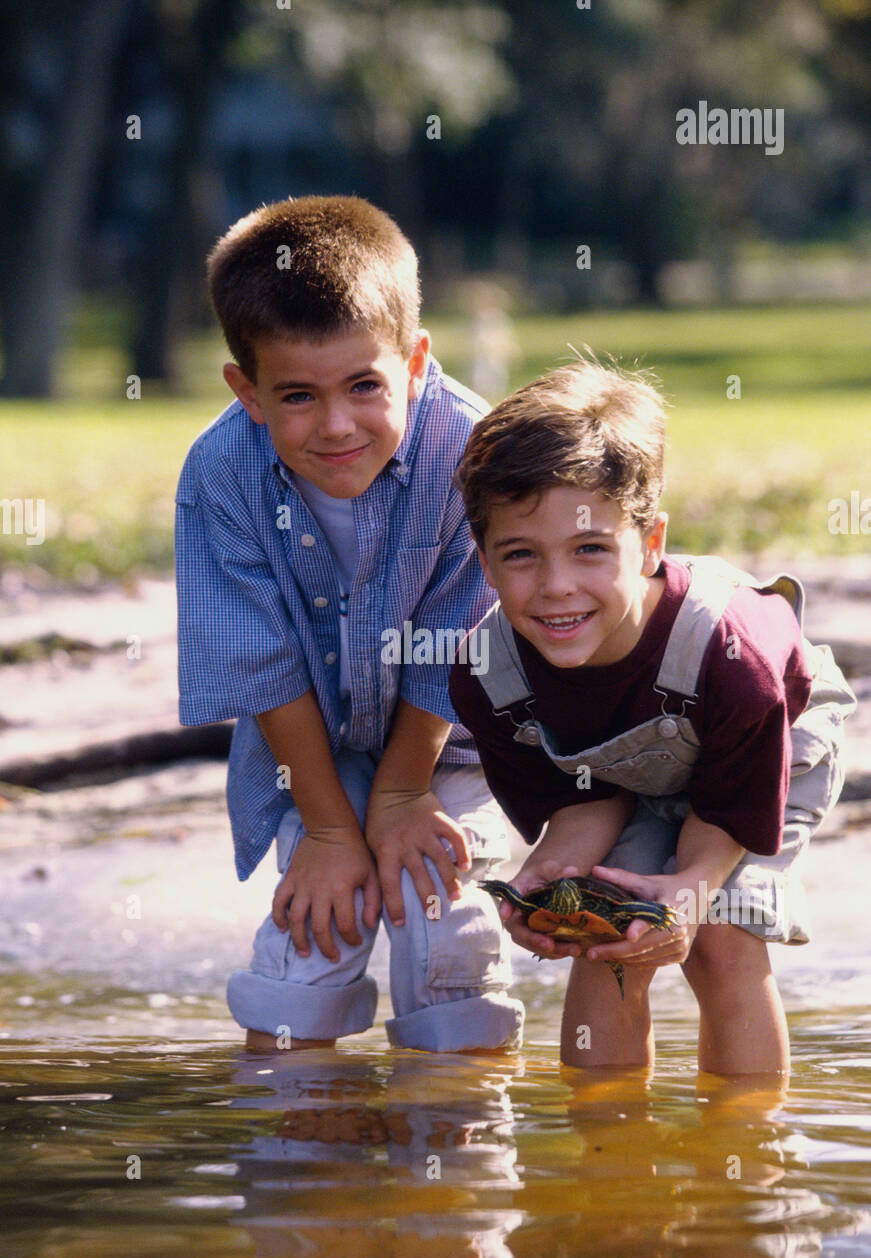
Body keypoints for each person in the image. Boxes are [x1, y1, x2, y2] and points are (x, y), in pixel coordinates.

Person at [175, 195, 524, 1054]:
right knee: (314, 939)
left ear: (414, 362)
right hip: (309, 752)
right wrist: (331, 829)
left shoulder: (469, 450)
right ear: (246, 390)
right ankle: (303, 1165)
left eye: (365, 385)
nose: (336, 425)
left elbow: (457, 638)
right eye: (296, 395)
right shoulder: (221, 472)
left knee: (439, 922)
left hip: (456, 740)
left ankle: (456, 1153)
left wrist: (404, 794)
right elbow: (256, 663)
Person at [449, 358, 855, 1075]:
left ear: (651, 542)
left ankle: (745, 1154)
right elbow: (583, 802)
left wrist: (691, 893)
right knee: (606, 938)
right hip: (630, 770)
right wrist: (550, 879)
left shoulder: (733, 657)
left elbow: (729, 811)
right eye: (520, 555)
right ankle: (604, 1153)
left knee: (719, 938)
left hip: (774, 745)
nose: (556, 588)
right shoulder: (489, 677)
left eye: (590, 550)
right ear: (482, 560)